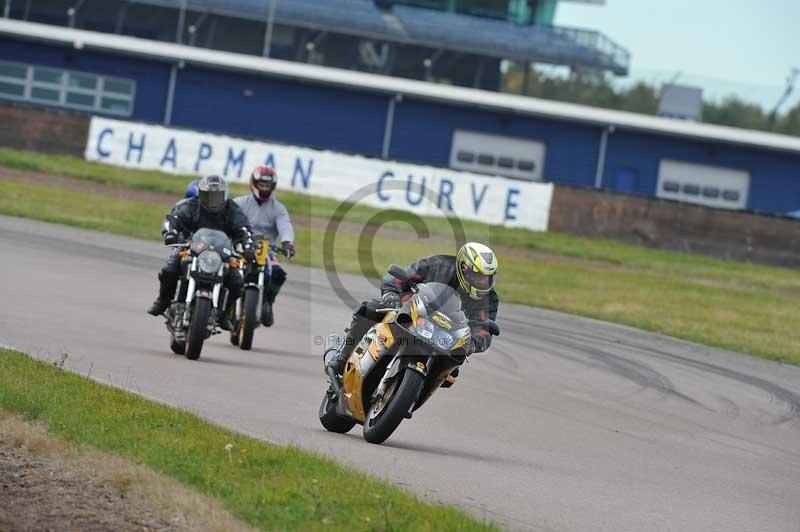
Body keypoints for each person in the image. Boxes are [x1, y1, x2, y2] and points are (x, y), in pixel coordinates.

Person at [326, 242, 499, 386]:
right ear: (464, 268)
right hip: (413, 311)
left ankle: (408, 395)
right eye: (478, 276)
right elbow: (400, 277)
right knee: (372, 308)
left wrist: (472, 344)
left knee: (450, 375)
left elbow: (484, 329)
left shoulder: (488, 298)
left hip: (446, 336)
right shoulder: (437, 265)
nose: (482, 282)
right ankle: (342, 358)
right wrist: (391, 294)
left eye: (487, 278)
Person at [147, 175, 255, 331]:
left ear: (224, 196)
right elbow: (173, 219)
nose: (212, 201)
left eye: (216, 197)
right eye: (208, 196)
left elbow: (244, 229)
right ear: (201, 195)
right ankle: (163, 301)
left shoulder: (232, 209)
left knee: (237, 283)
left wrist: (248, 246)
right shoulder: (191, 205)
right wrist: (170, 233)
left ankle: (224, 313)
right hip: (191, 247)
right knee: (169, 270)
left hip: (221, 253)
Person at [233, 165, 295, 327]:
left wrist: (288, 242)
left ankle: (268, 302)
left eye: (267, 186)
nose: (264, 189)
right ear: (253, 183)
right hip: (239, 248)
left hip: (267, 252)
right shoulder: (239, 203)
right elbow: (228, 220)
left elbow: (285, 226)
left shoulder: (279, 209)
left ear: (272, 187)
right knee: (226, 270)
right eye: (261, 185)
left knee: (278, 273)